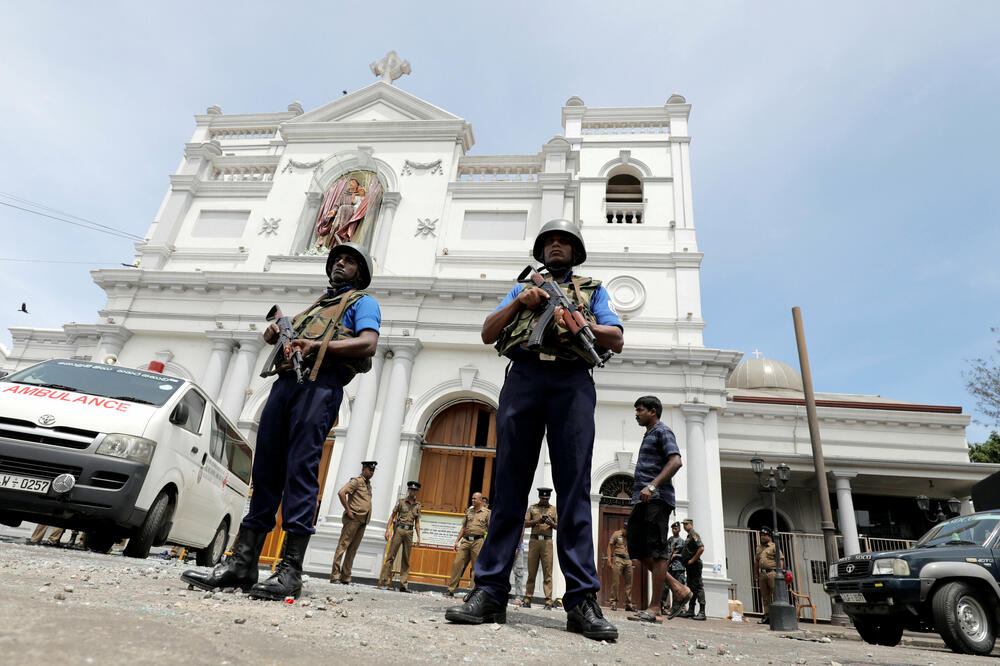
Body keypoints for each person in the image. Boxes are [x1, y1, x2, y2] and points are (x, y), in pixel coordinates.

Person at [445, 219, 624, 642]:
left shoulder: (594, 289)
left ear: (575, 251)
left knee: (575, 490)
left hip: (572, 383)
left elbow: (615, 337)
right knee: (508, 487)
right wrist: (520, 303)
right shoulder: (522, 287)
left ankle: (581, 600)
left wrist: (579, 322)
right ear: (540, 251)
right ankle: (489, 591)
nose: (556, 246)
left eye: (564, 241)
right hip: (523, 379)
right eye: (549, 242)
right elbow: (489, 331)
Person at [181, 242, 380, 600]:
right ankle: (242, 564)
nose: (340, 265)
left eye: (349, 262)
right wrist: (274, 335)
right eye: (336, 260)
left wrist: (318, 347)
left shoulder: (361, 303)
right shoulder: (315, 306)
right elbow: (290, 342)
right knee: (266, 471)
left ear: (360, 273)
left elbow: (368, 344)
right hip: (285, 387)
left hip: (320, 387)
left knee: (301, 470)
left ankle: (290, 570)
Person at [624, 395, 691, 623]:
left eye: (640, 410)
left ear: (653, 411)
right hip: (641, 500)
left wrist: (652, 486)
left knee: (657, 551)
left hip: (657, 499)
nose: (636, 414)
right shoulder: (649, 434)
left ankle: (655, 608)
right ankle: (678, 588)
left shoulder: (663, 431)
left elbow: (675, 461)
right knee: (637, 548)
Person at [331, 461, 378, 584]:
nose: (372, 472)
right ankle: (335, 575)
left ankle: (346, 576)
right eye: (370, 470)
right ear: (364, 469)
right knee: (343, 546)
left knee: (353, 549)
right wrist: (348, 510)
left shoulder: (368, 485)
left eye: (373, 471)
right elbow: (341, 493)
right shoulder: (356, 481)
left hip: (363, 520)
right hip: (353, 518)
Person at [378, 480, 422, 592]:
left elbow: (417, 522)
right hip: (399, 529)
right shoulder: (401, 502)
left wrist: (419, 537)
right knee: (391, 556)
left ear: (416, 491)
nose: (412, 491)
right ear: (408, 490)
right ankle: (386, 582)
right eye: (411, 489)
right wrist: (388, 530)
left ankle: (403, 584)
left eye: (414, 490)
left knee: (406, 558)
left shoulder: (418, 505)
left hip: (409, 532)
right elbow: (392, 516)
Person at [445, 492, 490, 597]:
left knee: (475, 567)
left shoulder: (487, 513)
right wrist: (457, 540)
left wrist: (487, 544)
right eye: (472, 498)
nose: (473, 500)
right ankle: (451, 589)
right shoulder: (469, 512)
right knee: (457, 563)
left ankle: (472, 592)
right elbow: (464, 527)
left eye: (475, 499)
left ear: (480, 500)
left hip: (478, 541)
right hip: (466, 541)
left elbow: (491, 529)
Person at [523, 487, 558, 609]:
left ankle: (548, 601)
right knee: (531, 571)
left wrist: (551, 524)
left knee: (547, 572)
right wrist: (536, 521)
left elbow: (559, 526)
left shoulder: (553, 509)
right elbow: (524, 523)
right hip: (534, 541)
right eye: (543, 498)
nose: (545, 500)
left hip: (547, 543)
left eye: (546, 498)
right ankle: (527, 599)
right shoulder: (532, 508)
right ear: (539, 497)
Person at [679, 517, 706, 620]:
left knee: (698, 587)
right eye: (684, 524)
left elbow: (701, 548)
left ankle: (702, 612)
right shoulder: (689, 536)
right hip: (689, 566)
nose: (684, 526)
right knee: (691, 587)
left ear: (691, 524)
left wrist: (692, 560)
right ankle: (691, 610)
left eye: (686, 524)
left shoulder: (694, 534)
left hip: (694, 565)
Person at [755, 526, 782, 624]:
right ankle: (767, 616)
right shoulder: (759, 548)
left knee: (775, 594)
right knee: (765, 596)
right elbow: (756, 562)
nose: (763, 537)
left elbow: (780, 560)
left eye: (765, 535)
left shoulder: (774, 546)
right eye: (762, 535)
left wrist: (780, 572)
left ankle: (777, 616)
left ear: (769, 536)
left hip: (772, 573)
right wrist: (756, 575)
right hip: (762, 573)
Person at [605, 523, 634, 612]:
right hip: (618, 559)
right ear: (624, 529)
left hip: (628, 560)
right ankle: (613, 603)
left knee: (629, 583)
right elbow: (609, 546)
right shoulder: (616, 534)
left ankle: (628, 604)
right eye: (627, 531)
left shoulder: (630, 536)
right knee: (616, 582)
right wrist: (609, 559)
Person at [661, 521, 687, 613]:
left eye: (676, 529)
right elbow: (667, 552)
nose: (674, 530)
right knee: (665, 587)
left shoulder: (682, 542)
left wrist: (676, 556)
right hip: (670, 567)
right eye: (673, 529)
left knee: (679, 587)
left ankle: (680, 608)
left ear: (679, 529)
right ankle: (663, 606)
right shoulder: (670, 540)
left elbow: (685, 555)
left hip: (679, 568)